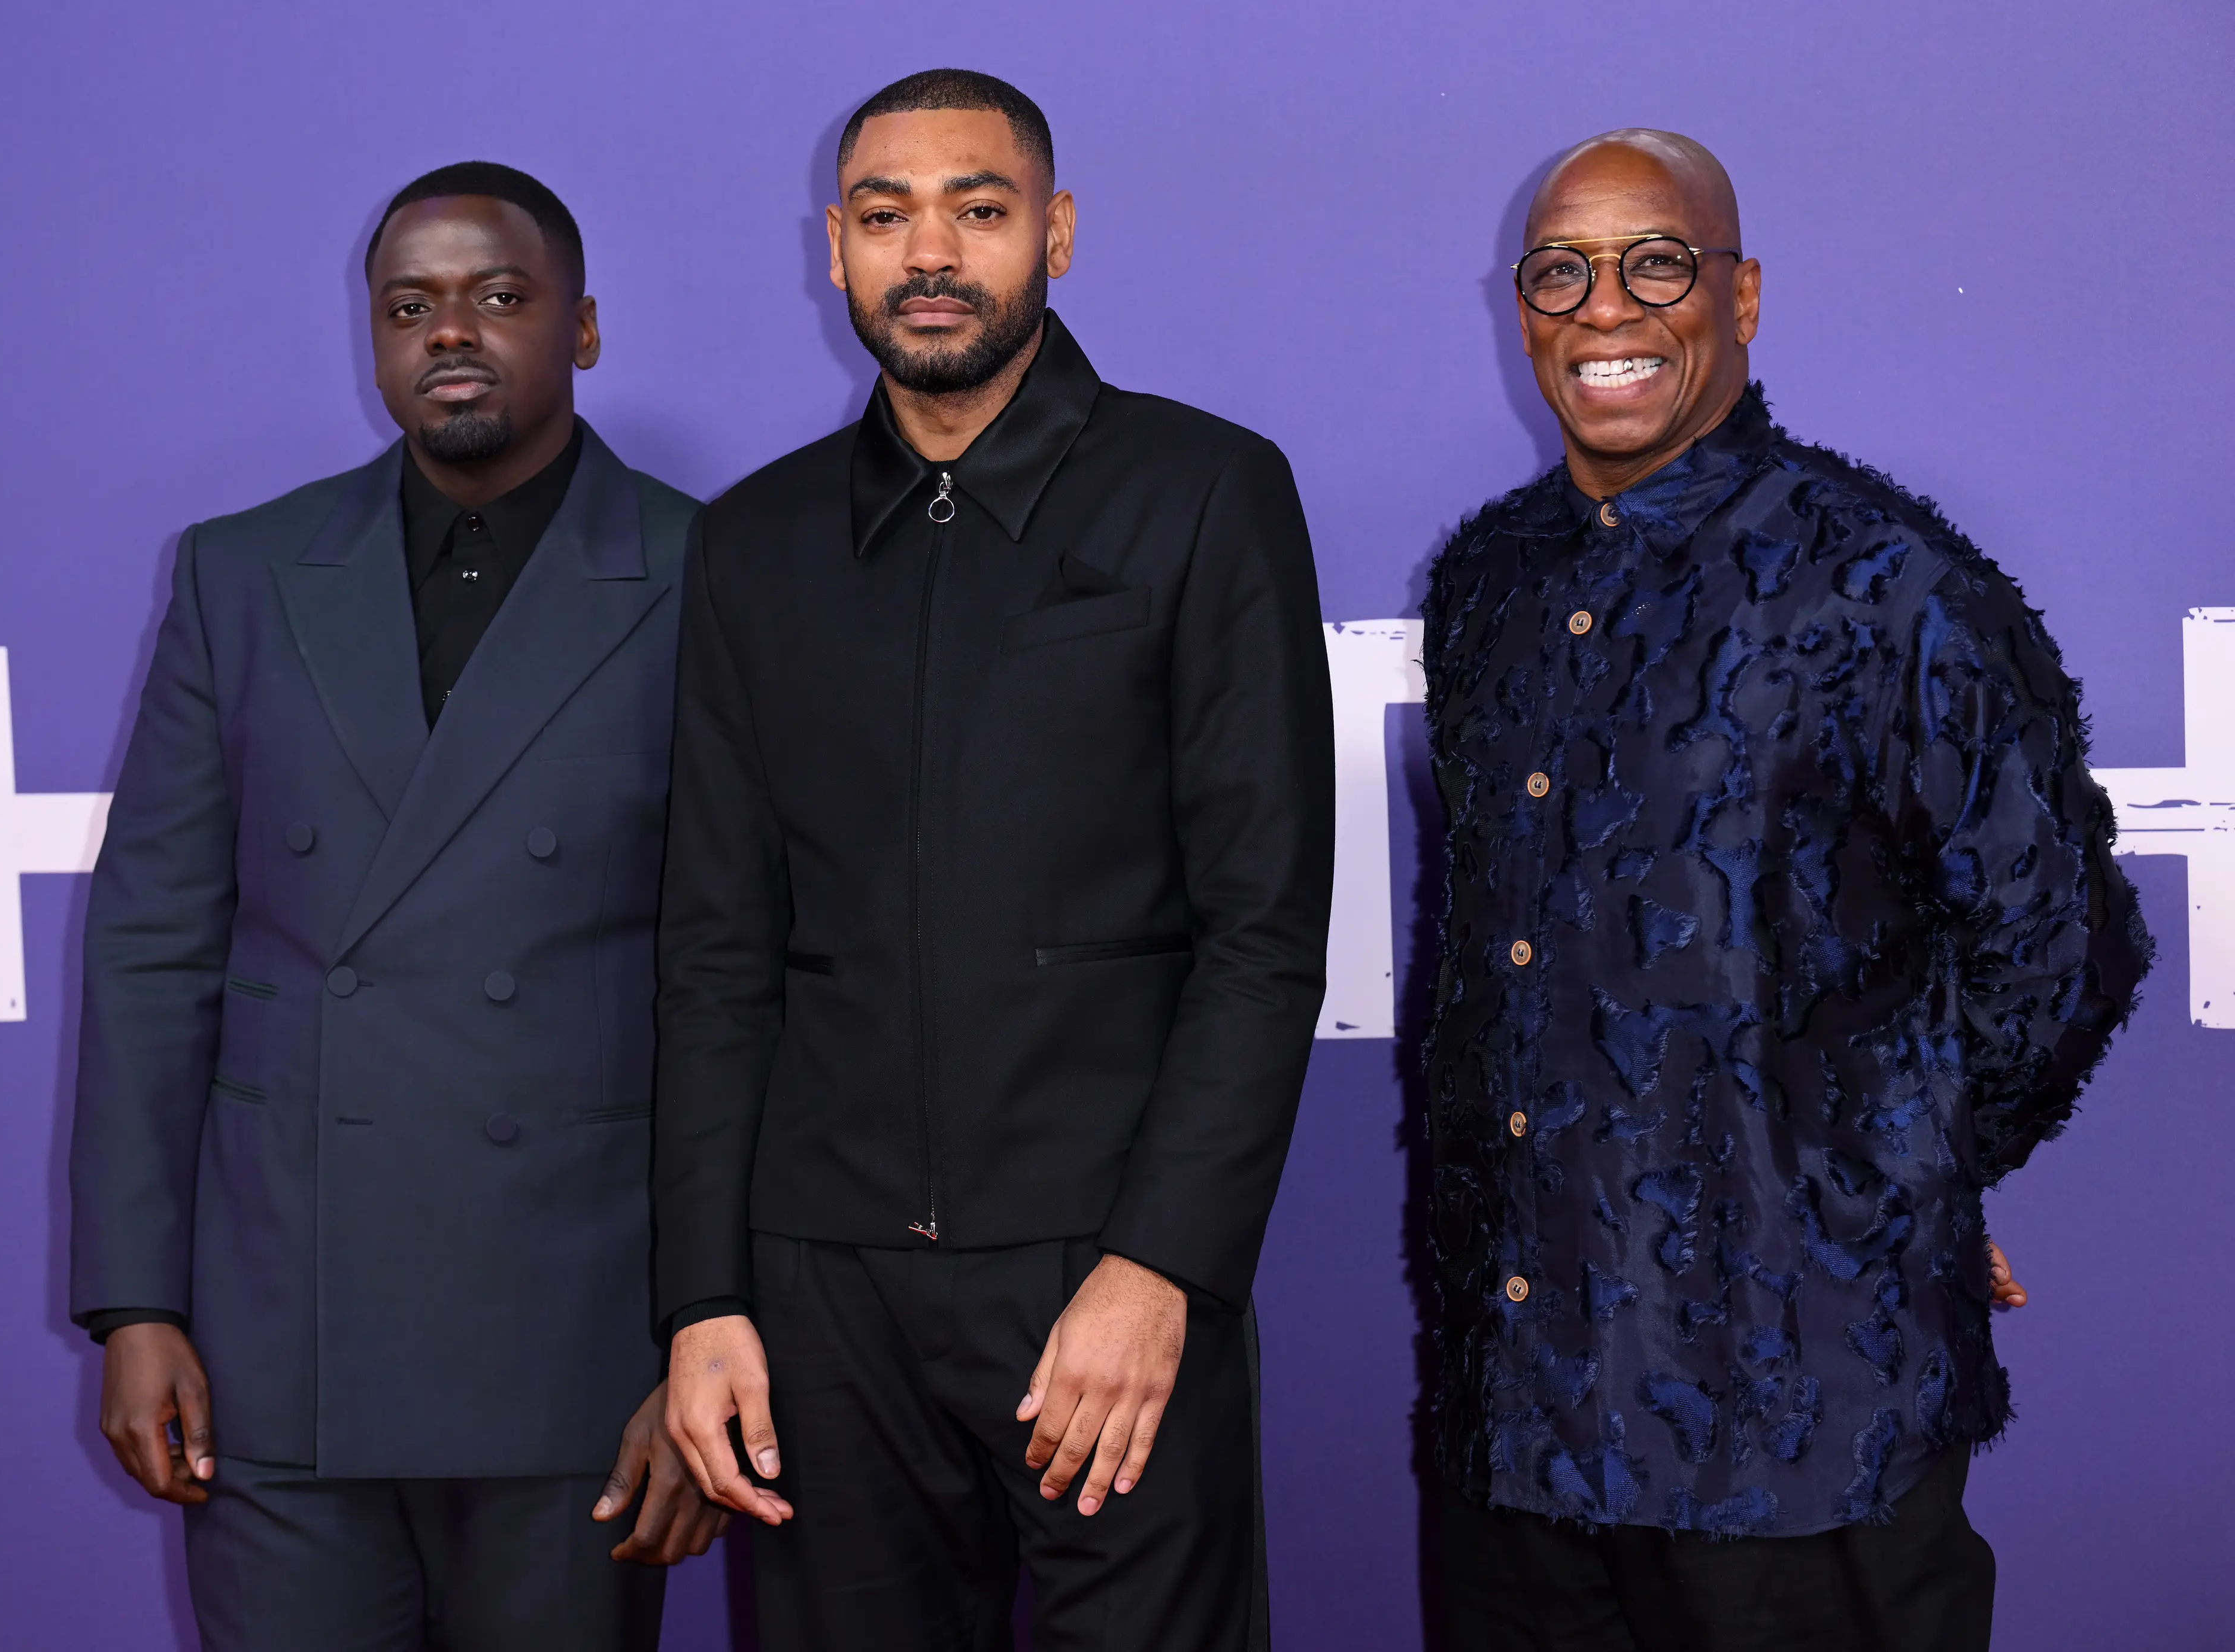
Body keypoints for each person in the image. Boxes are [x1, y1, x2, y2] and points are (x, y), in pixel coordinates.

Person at [1419, 129, 2151, 1651]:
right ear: (1523, 310)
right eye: (1562, 272)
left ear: (1741, 295)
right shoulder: (1485, 585)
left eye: (1656, 263)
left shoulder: (1885, 584)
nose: (1605, 308)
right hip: (1522, 1441)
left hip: (1805, 1434)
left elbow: (2064, 931)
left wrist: (1879, 1175)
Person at [653, 68, 1333, 1651]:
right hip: (822, 1306)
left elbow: (1261, 927)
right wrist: (705, 1299)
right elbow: (713, 953)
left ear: (1059, 233)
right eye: (886, 216)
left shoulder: (1206, 494)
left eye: (979, 207)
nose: (931, 252)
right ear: (836, 250)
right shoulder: (752, 544)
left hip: (1102, 1281)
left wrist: (1163, 1265)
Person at [69, 162, 719, 1651]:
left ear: (587, 328)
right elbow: (156, 947)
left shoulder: (712, 570)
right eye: (410, 306)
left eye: (501, 297)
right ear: (372, 338)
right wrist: (133, 1306)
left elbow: (748, 987)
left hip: (577, 1340)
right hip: (283, 1336)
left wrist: (705, 1337)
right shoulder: (242, 575)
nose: (453, 334)